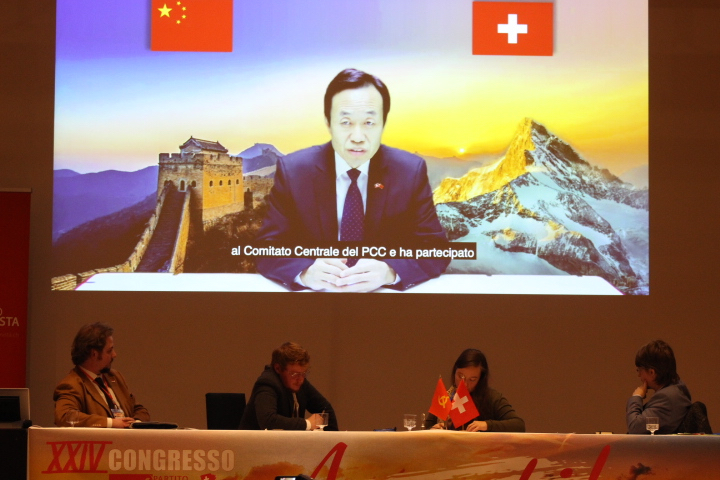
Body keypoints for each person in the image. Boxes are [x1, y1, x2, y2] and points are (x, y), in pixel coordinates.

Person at [255, 68, 450, 292]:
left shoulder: (409, 171)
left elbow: (436, 250)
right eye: (346, 122)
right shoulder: (294, 171)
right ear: (328, 122)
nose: (358, 138)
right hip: (316, 299)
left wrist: (389, 271)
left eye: (369, 122)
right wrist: (305, 272)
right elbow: (266, 248)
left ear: (383, 123)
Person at [53, 323, 150, 428]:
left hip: (127, 437)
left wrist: (135, 423)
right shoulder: (72, 384)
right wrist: (112, 423)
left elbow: (139, 409)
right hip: (100, 439)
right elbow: (65, 417)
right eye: (109, 351)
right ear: (94, 354)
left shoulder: (115, 377)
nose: (114, 355)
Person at [240, 342, 338, 430]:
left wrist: (334, 440)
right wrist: (307, 424)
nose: (300, 379)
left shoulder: (300, 382)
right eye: (294, 374)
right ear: (278, 368)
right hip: (255, 444)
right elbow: (268, 421)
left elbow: (325, 409)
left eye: (304, 373)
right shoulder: (267, 383)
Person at [425, 348, 525, 432]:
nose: (464, 384)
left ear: (481, 379)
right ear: (454, 372)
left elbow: (518, 425)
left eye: (472, 379)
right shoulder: (445, 397)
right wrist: (432, 430)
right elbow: (427, 427)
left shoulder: (492, 398)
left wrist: (487, 425)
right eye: (460, 376)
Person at [626, 339, 691, 434]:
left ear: (652, 372)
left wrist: (636, 397)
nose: (639, 375)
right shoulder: (678, 389)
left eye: (639, 370)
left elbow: (634, 427)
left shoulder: (666, 398)